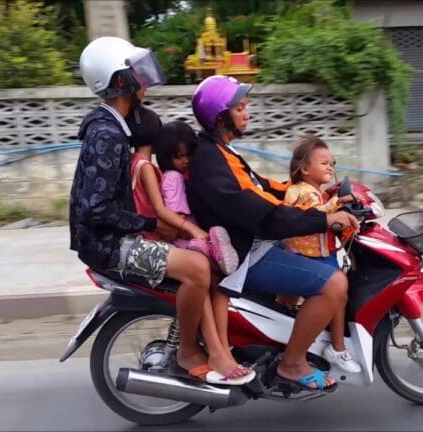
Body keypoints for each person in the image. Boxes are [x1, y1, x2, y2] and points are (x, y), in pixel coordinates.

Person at [69, 38, 251, 385]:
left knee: (204, 266)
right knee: (198, 268)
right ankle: (187, 352)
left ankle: (212, 347)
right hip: (107, 244)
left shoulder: (113, 129)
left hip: (115, 236)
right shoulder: (107, 134)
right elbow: (96, 209)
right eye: (135, 72)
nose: (144, 80)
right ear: (119, 79)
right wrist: (151, 224)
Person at [187, 75, 360, 391]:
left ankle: (285, 334)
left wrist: (316, 192)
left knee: (318, 268)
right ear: (220, 116)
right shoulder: (212, 161)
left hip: (254, 242)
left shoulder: (223, 152)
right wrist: (324, 220)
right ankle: (292, 363)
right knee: (335, 284)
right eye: (240, 108)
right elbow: (263, 213)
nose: (247, 113)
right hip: (244, 253)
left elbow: (265, 187)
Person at [273, 135, 362, 373]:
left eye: (332, 163)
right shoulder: (302, 191)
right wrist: (336, 204)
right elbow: (314, 215)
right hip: (310, 257)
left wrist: (335, 199)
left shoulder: (313, 191)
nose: (330, 167)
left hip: (307, 253)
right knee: (338, 295)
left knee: (286, 302)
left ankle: (288, 336)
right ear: (304, 168)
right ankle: (337, 347)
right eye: (324, 163)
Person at [128, 109, 239, 276]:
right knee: (208, 270)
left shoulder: (132, 162)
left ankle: (209, 248)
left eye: (188, 155)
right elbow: (164, 210)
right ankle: (208, 248)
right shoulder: (149, 168)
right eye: (179, 156)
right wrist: (193, 230)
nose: (186, 160)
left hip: (153, 231)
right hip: (163, 234)